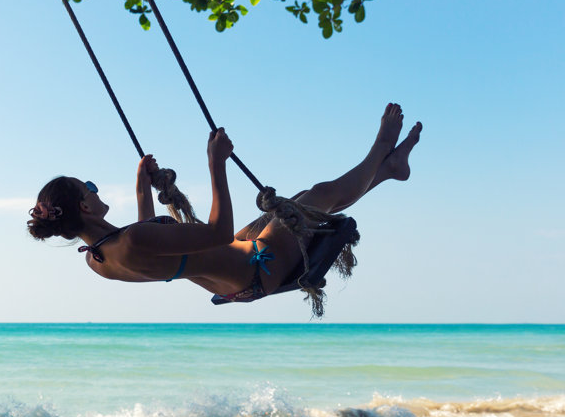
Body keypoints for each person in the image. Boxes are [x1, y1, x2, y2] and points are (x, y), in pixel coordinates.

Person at [27, 103, 422, 303]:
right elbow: (215, 233)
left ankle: (389, 170)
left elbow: (148, 243)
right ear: (84, 206)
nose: (95, 190)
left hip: (238, 280)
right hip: (255, 267)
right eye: (89, 187)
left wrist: (143, 188)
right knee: (318, 196)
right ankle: (381, 150)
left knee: (300, 202)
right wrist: (216, 164)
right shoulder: (129, 243)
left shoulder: (98, 258)